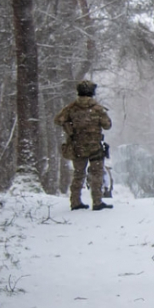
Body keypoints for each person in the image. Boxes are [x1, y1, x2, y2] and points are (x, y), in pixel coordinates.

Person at [54, 80, 113, 211]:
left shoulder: (71, 107)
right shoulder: (97, 108)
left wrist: (70, 126)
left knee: (78, 174)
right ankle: (97, 202)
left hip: (77, 146)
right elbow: (107, 125)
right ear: (92, 92)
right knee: (96, 174)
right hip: (95, 147)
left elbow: (58, 120)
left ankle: (75, 202)